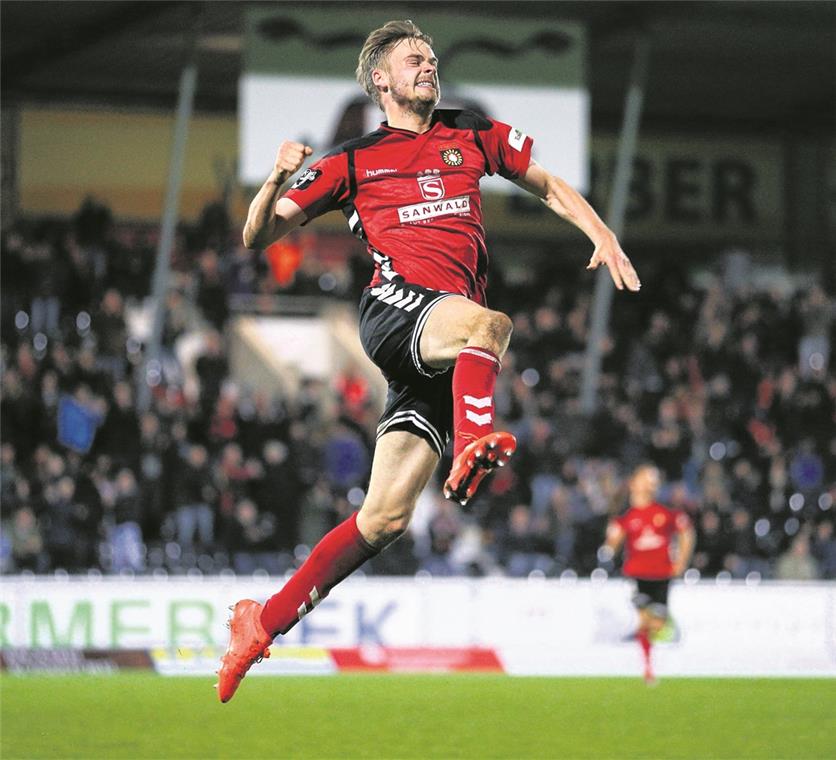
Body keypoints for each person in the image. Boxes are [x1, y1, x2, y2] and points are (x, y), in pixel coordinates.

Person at [217, 19, 641, 702]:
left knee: (383, 520)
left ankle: (259, 622)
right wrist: (273, 177)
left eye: (432, 58)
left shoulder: (470, 132)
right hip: (399, 312)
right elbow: (257, 233)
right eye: (414, 58)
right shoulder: (352, 159)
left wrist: (602, 231)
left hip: (443, 351)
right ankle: (473, 443)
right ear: (379, 78)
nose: (428, 65)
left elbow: (549, 184)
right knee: (489, 324)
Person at [601, 464, 695, 684]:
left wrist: (681, 561)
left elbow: (686, 532)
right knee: (642, 618)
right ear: (634, 482)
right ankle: (646, 666)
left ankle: (651, 663)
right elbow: (612, 542)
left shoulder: (664, 512)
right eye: (646, 478)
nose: (651, 482)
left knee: (655, 622)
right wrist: (609, 548)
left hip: (661, 574)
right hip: (636, 574)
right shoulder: (626, 515)